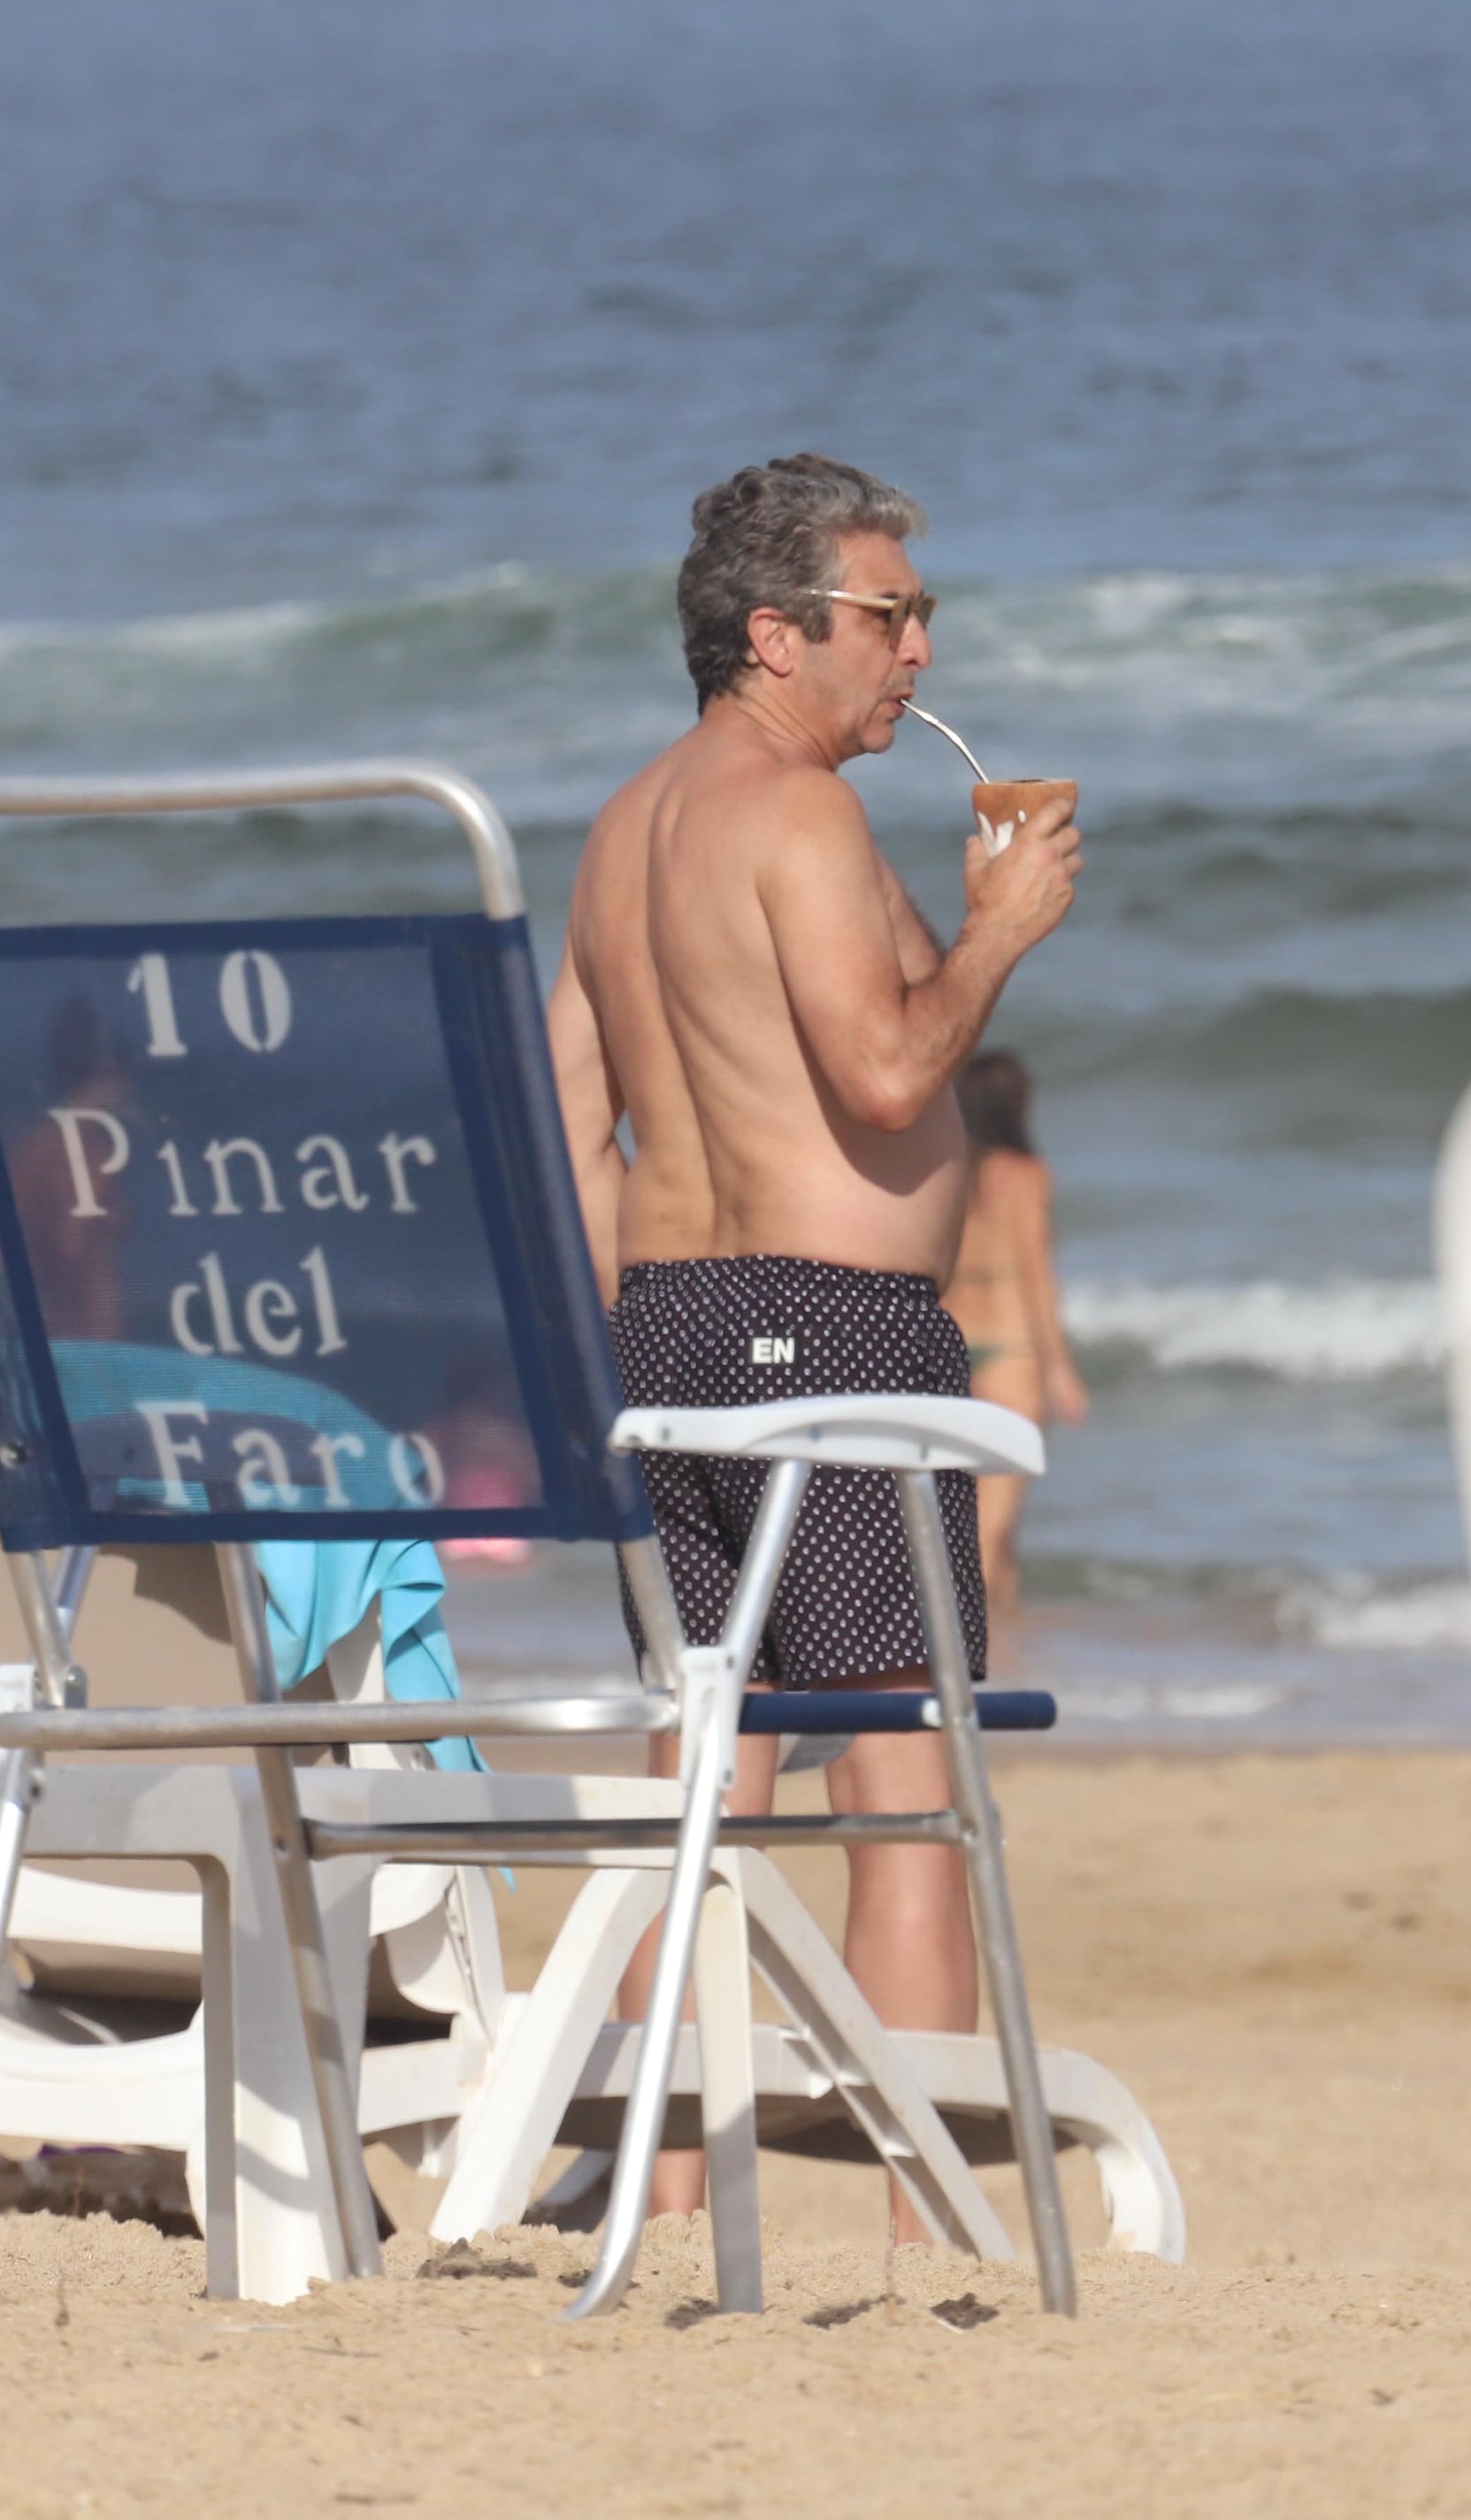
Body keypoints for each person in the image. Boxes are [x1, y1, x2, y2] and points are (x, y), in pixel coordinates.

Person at [550, 452, 1082, 2229]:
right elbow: (883, 1070)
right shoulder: (796, 814)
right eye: (886, 615)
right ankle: (933, 2210)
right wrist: (998, 929)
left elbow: (567, 1103)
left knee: (709, 1766)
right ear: (775, 634)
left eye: (919, 616)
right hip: (832, 1330)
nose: (917, 652)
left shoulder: (628, 822)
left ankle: (651, 2182)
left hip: (674, 1322)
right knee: (905, 1775)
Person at [946, 1051, 1084, 1624]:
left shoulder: (942, 1170)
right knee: (991, 1529)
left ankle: (1004, 1644)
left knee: (979, 1528)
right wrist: (1061, 1367)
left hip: (949, 1342)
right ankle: (972, 1666)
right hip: (1011, 1349)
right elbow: (1037, 1272)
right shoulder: (1025, 1176)